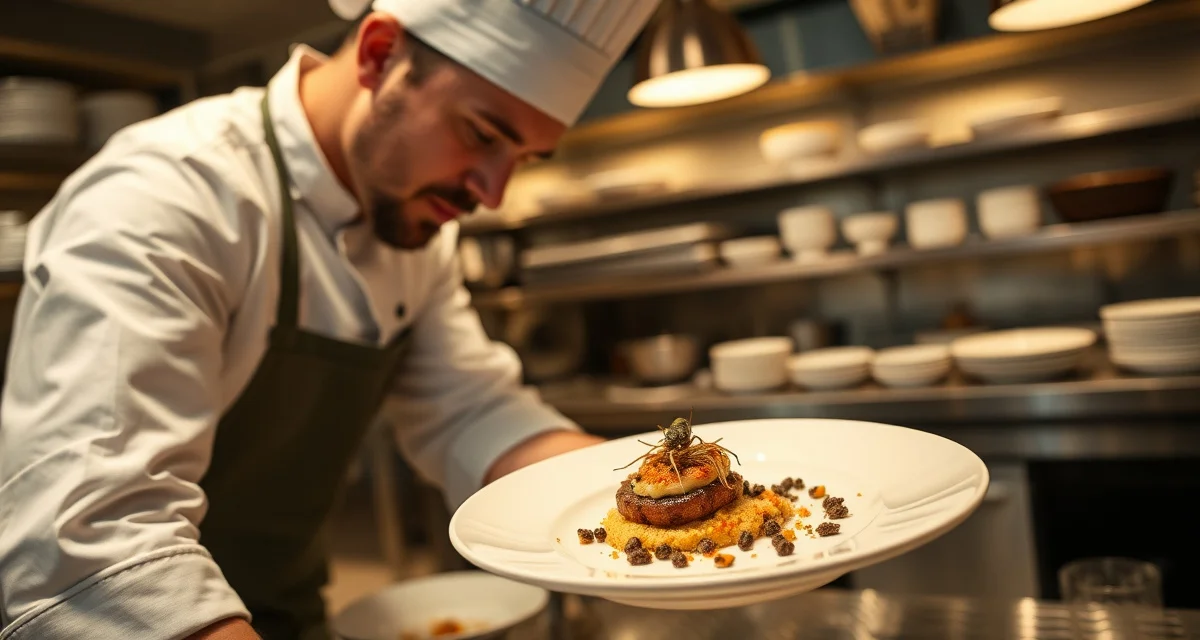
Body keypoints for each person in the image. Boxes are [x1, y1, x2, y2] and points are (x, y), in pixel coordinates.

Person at [0, 1, 661, 639]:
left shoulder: (416, 233)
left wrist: (676, 491)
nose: (491, 193)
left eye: (520, 160)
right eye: (482, 135)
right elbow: (92, 555)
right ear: (379, 56)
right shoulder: (166, 199)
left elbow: (472, 411)